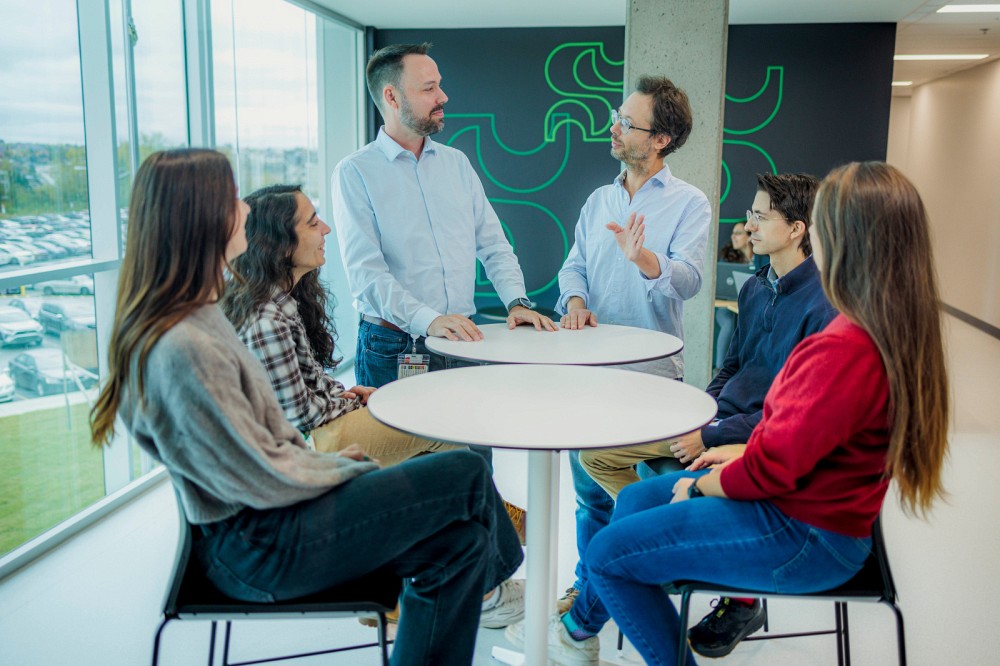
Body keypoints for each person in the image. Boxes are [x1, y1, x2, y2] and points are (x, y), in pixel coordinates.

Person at [90, 149, 527, 665]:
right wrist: (351, 473)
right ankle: (507, 575)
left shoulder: (201, 320)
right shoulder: (184, 346)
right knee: (465, 472)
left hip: (271, 524)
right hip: (261, 547)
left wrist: (345, 471)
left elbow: (265, 451)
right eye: (231, 199)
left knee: (463, 546)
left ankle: (491, 576)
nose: (245, 211)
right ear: (199, 217)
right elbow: (259, 474)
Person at [509, 161, 949, 665]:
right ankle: (576, 634)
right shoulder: (877, 327)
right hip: (807, 507)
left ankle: (576, 633)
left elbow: (773, 467)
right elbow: (794, 443)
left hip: (803, 533)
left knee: (609, 557)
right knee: (631, 503)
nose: (750, 227)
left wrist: (699, 484)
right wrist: (732, 450)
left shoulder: (844, 343)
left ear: (837, 236)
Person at [578, 172, 838, 657]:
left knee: (622, 499)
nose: (749, 225)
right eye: (751, 214)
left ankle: (626, 592)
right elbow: (733, 365)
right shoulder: (756, 286)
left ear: (798, 229)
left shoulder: (823, 306)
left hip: (751, 437)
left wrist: (713, 431)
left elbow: (786, 413)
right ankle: (667, 538)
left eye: (761, 217)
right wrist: (700, 411)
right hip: (718, 424)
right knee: (596, 457)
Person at [551, 74, 710, 617]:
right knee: (588, 497)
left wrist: (643, 259)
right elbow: (572, 268)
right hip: (589, 374)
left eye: (627, 122)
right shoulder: (599, 200)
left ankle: (636, 571)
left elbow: (689, 281)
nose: (613, 128)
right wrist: (574, 302)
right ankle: (591, 588)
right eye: (617, 117)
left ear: (660, 139)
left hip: (653, 377)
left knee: (640, 487)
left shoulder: (689, 203)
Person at [332, 42, 556, 392]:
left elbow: (494, 245)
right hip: (396, 347)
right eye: (429, 88)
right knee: (407, 449)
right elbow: (366, 274)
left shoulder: (457, 164)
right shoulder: (355, 172)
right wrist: (429, 320)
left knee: (473, 445)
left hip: (462, 339)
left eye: (439, 84)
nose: (443, 96)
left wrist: (516, 301)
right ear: (391, 97)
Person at [220, 184, 460, 467]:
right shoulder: (266, 320)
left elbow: (306, 385)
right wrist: (349, 403)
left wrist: (341, 394)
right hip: (307, 443)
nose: (326, 229)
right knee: (443, 425)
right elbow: (299, 414)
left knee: (432, 440)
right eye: (312, 224)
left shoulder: (282, 301)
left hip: (317, 427)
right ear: (281, 245)